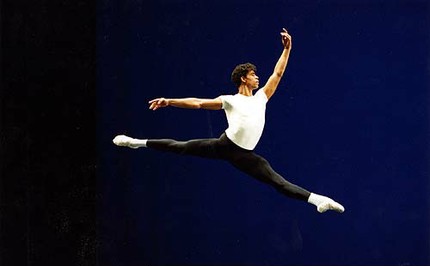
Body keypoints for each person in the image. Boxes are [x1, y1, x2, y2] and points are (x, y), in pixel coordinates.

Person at [113, 28, 344, 213]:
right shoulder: (230, 100)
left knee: (278, 182)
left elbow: (278, 74)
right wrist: (169, 101)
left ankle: (319, 200)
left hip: (246, 156)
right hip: (224, 146)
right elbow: (199, 103)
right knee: (179, 146)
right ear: (244, 78)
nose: (258, 77)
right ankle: (135, 142)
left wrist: (287, 49)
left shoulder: (262, 97)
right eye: (253, 75)